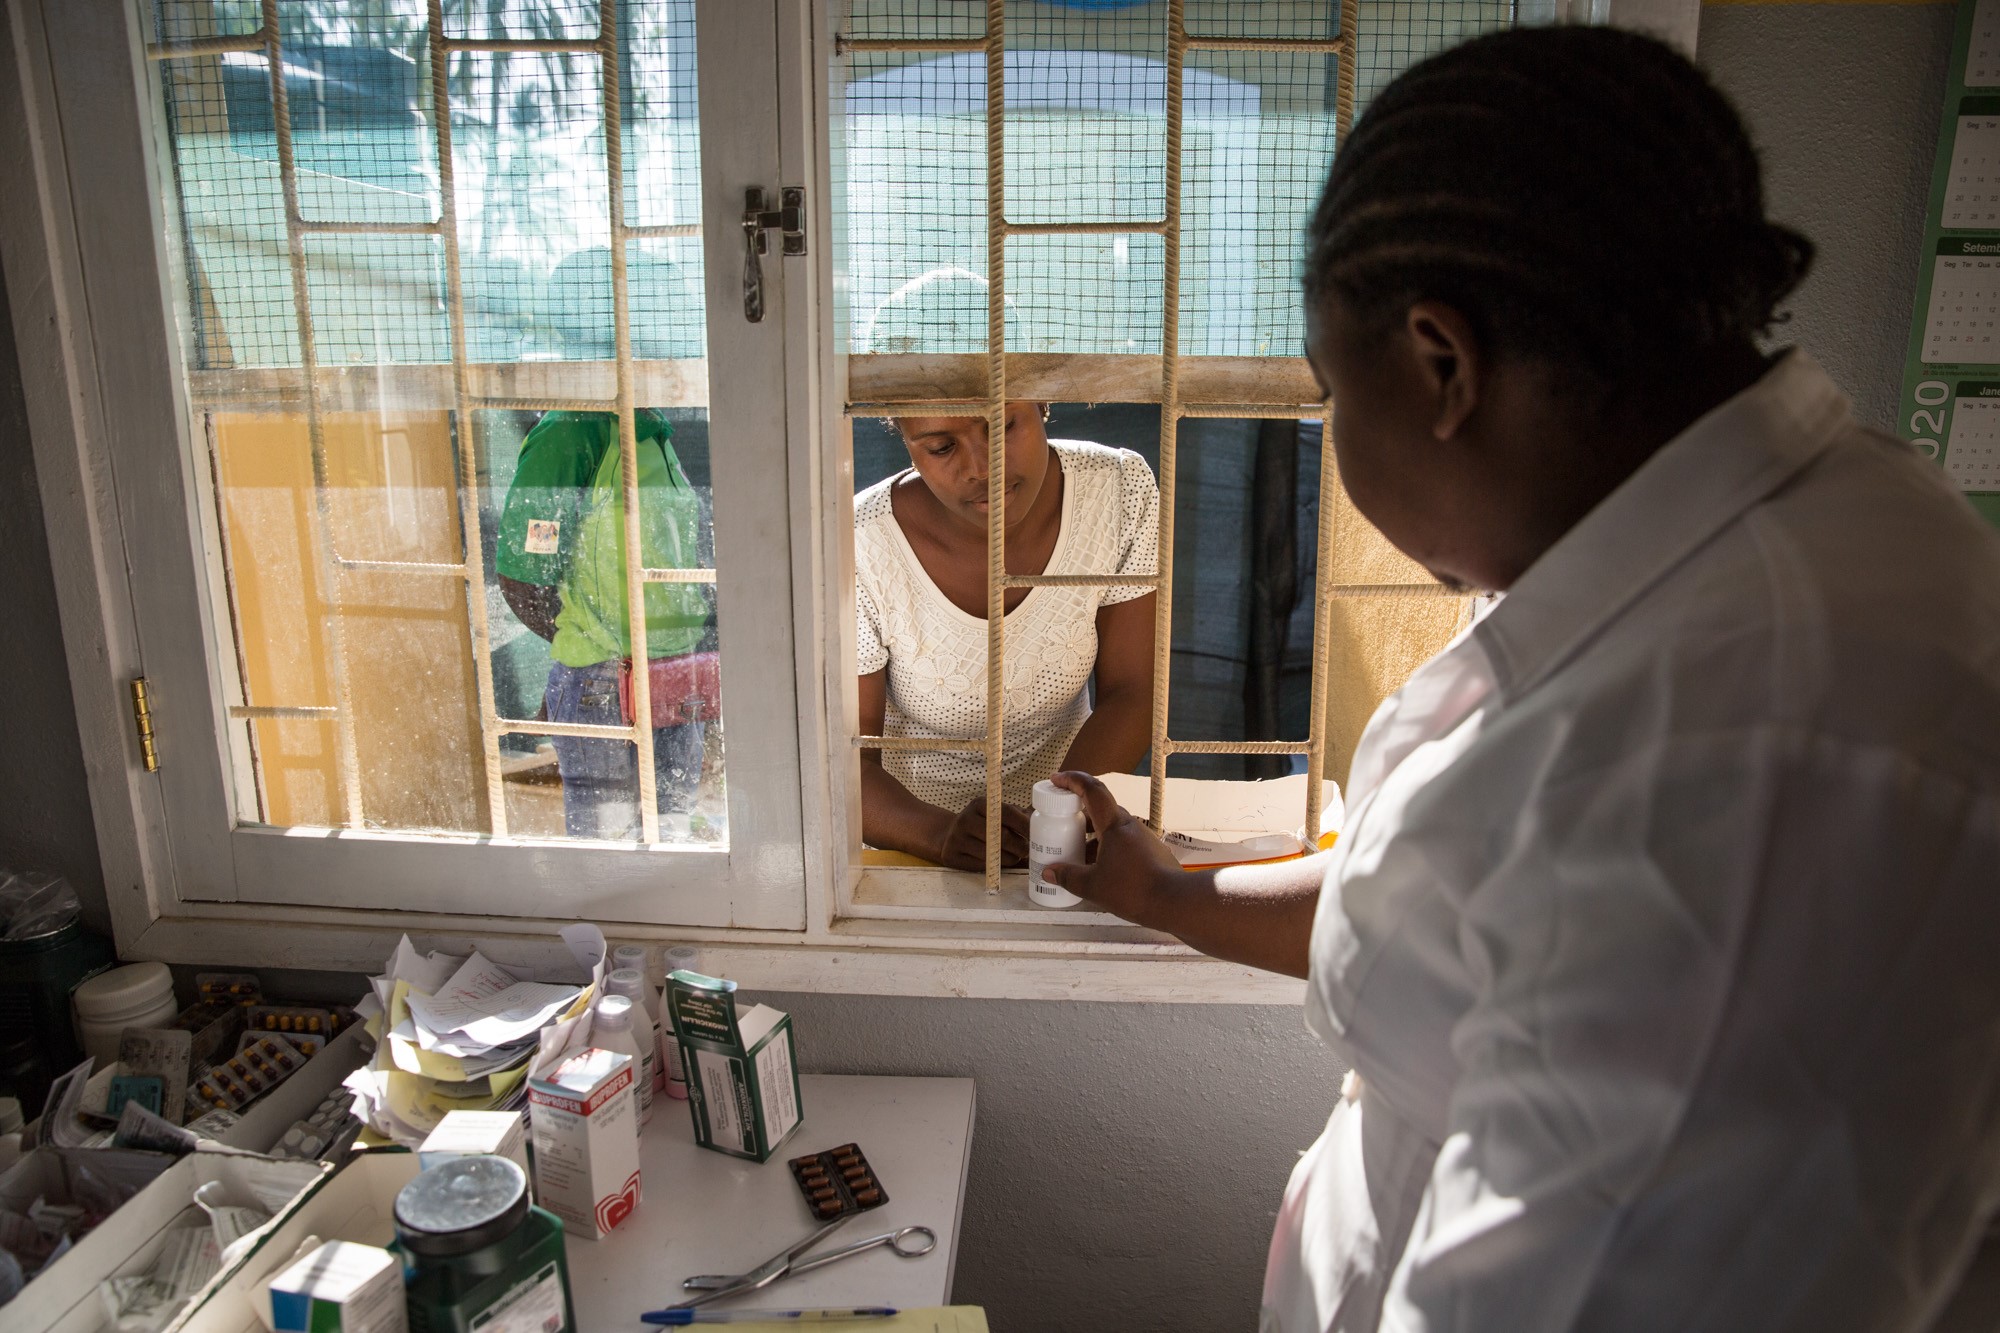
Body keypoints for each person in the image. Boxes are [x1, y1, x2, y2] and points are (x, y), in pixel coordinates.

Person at [1043, 26, 2000, 1333]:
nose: (1332, 440)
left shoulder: (1755, 760)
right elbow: (1459, 885)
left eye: (1334, 392)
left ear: (1443, 364)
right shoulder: (1694, 543)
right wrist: (1160, 890)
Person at [856, 271, 1160, 870]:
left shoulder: (1120, 492)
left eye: (1004, 425)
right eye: (941, 448)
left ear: (1042, 399)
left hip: (1066, 836)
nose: (983, 467)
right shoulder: (862, 545)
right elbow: (845, 759)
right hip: (914, 846)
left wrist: (1056, 816)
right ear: (906, 443)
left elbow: (1132, 692)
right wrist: (941, 836)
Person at [495, 408, 716, 840]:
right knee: (610, 847)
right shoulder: (571, 430)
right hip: (606, 681)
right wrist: (583, 649)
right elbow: (523, 572)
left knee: (671, 835)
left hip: (677, 678)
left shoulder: (652, 432)